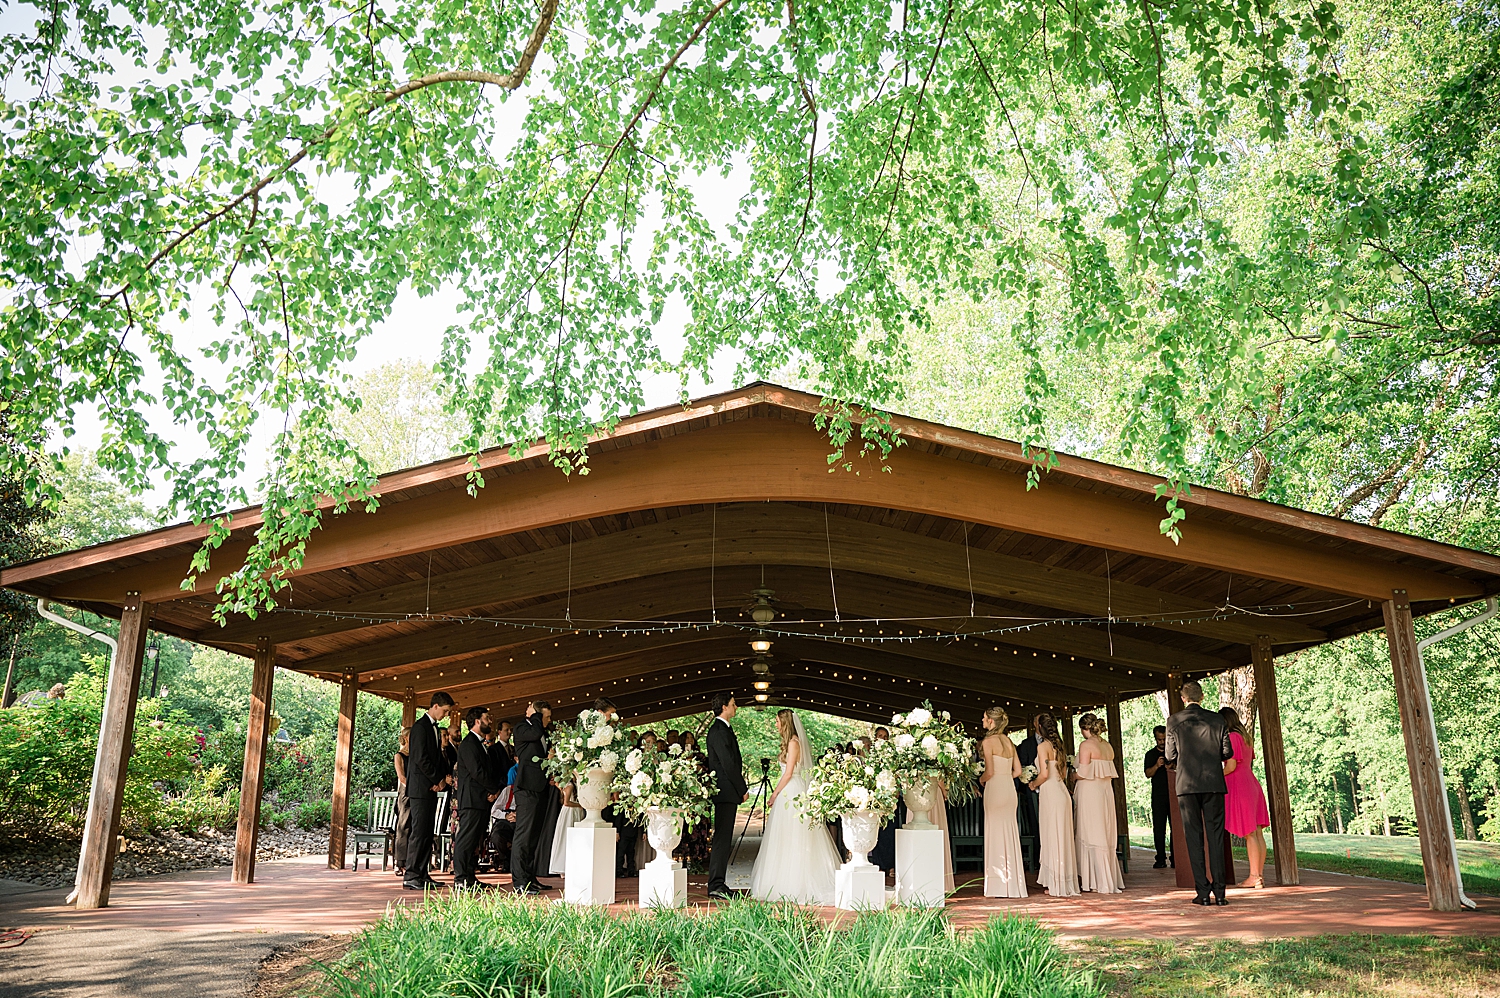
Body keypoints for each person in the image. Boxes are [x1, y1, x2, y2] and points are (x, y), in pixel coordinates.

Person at [748, 709, 839, 904]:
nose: (776, 725)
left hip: (793, 792)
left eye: (777, 722)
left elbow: (788, 773)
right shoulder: (789, 743)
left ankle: (796, 883)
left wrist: (774, 793)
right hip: (788, 792)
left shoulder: (794, 743)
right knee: (783, 837)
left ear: (785, 722)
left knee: (795, 836)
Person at [1165, 680, 1234, 906]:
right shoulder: (1217, 719)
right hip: (1213, 783)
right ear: (1202, 697)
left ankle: (1203, 892)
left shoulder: (1174, 721)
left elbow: (1169, 755)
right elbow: (1227, 752)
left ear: (1183, 699)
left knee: (1193, 838)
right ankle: (1221, 893)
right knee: (1215, 837)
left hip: (1187, 785)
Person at [403, 691, 454, 890]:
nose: (446, 715)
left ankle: (422, 874)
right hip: (420, 788)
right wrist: (437, 780)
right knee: (419, 832)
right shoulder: (420, 727)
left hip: (429, 788)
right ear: (434, 706)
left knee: (427, 832)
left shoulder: (434, 728)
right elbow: (420, 758)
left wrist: (442, 778)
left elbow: (436, 758)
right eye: (445, 711)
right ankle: (411, 875)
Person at [1072, 712, 1124, 894]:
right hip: (1105, 792)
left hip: (1090, 792)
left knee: (1090, 831)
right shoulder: (1107, 746)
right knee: (1104, 830)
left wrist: (1072, 775)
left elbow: (1083, 772)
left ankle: (1095, 880)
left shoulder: (1086, 745)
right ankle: (1105, 878)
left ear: (1084, 728)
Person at [1221, 706, 1271, 888]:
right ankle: (1259, 875)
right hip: (1251, 783)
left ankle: (1254, 876)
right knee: (1257, 832)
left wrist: (1215, 776)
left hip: (1240, 786)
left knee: (1250, 833)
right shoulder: (1245, 737)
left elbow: (1232, 766)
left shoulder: (1233, 737)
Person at [453, 705, 502, 889]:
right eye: (487, 718)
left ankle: (469, 876)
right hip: (471, 800)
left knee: (473, 840)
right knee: (466, 839)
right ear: (477, 721)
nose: (489, 721)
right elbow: (477, 772)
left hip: (480, 799)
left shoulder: (479, 744)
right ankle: (460, 878)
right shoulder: (469, 744)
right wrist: (494, 790)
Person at [1030, 712, 1079, 896]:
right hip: (1062, 792)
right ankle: (1063, 881)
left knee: (1052, 835)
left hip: (1050, 793)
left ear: (1039, 728)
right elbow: (1063, 772)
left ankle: (1056, 883)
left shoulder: (1043, 747)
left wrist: (1033, 784)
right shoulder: (1060, 746)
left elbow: (1043, 774)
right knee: (1062, 836)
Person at [980, 707, 1027, 898]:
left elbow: (989, 771)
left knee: (994, 832)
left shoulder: (988, 741)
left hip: (995, 788)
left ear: (991, 721)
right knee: (1009, 832)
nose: (982, 720)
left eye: (984, 718)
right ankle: (1014, 884)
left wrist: (981, 780)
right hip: (1009, 789)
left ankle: (997, 885)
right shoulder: (1008, 741)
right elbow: (1018, 772)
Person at [705, 692, 748, 899]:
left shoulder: (723, 730)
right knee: (722, 838)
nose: (736, 707)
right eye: (733, 703)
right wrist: (742, 788)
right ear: (724, 707)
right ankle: (716, 884)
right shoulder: (719, 731)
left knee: (724, 837)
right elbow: (728, 764)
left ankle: (718, 882)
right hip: (725, 790)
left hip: (726, 791)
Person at [510, 699, 553, 894]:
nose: (548, 721)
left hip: (540, 788)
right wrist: (534, 714)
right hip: (526, 788)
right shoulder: (522, 728)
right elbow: (535, 732)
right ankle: (519, 881)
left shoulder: (543, 732)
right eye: (546, 717)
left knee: (534, 836)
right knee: (523, 835)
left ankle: (529, 877)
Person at [1143, 725, 1172, 868]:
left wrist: (1171, 766)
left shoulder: (1174, 753)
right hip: (1158, 795)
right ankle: (1160, 858)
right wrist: (1157, 765)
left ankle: (1175, 857)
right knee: (1159, 828)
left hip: (1173, 794)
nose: (1161, 742)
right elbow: (1148, 773)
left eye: (1164, 739)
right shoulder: (1150, 754)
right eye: (1159, 739)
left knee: (1175, 828)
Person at [1015, 719, 1040, 873]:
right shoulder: (1026, 744)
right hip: (1031, 790)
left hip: (1051, 788)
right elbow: (1022, 765)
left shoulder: (1054, 743)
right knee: (1035, 824)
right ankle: (1038, 859)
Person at [549, 782, 584, 876]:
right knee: (566, 837)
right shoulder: (570, 785)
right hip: (570, 813)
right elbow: (566, 802)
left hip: (574, 812)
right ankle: (562, 867)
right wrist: (579, 805)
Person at [393, 727, 412, 877]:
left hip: (417, 794)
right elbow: (401, 776)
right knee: (403, 827)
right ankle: (399, 861)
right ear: (405, 738)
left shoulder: (416, 755)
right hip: (406, 794)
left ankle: (411, 860)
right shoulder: (399, 756)